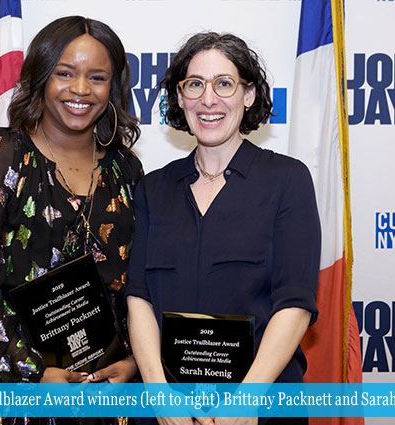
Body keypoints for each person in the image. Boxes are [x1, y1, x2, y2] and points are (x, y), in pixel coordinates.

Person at [0, 16, 142, 425]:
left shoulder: (127, 172)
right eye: (65, 73)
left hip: (102, 399)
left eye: (98, 77)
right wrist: (34, 375)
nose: (81, 89)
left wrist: (133, 362)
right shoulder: (0, 155)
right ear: (40, 77)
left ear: (114, 88)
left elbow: (136, 287)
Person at [126, 32, 321, 425]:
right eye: (194, 84)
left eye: (224, 84)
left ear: (248, 95)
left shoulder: (288, 180)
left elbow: (295, 303)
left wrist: (247, 400)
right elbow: (138, 297)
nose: (208, 99)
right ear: (179, 98)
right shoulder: (153, 188)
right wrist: (159, 396)